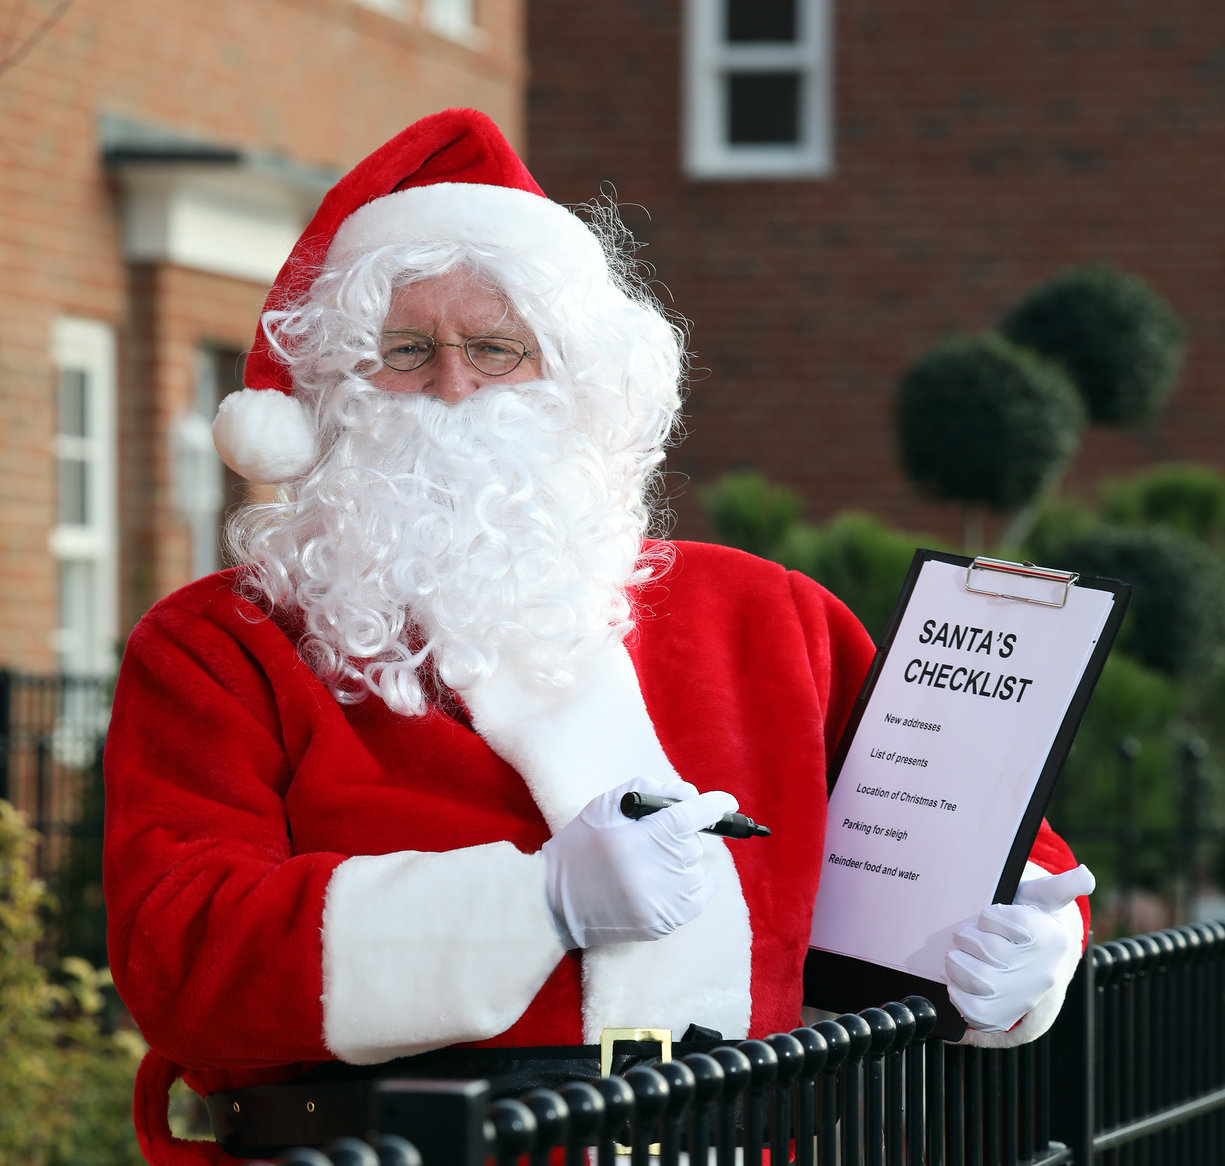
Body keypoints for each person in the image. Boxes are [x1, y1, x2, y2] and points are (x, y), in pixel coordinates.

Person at [103, 108, 1093, 1164]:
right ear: (330, 393)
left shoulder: (770, 614)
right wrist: (532, 901)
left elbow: (965, 837)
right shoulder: (219, 644)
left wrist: (1030, 945)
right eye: (405, 351)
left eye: (498, 349)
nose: (453, 385)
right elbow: (181, 953)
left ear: (577, 381)